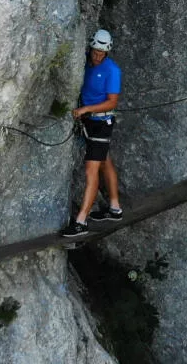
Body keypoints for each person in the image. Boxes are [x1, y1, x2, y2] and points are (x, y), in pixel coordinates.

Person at [61, 29, 122, 237]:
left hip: (101, 122)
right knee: (105, 161)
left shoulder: (111, 70)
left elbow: (113, 101)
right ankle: (115, 208)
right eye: (95, 51)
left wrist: (86, 109)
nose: (97, 55)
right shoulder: (86, 62)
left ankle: (81, 222)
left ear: (107, 52)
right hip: (90, 122)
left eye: (101, 53)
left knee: (91, 170)